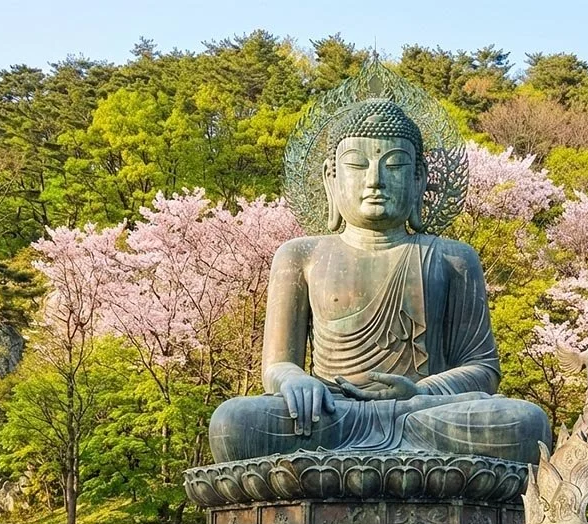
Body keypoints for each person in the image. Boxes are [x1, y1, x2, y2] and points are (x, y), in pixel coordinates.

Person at [207, 97, 551, 465]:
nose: (375, 180)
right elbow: (277, 364)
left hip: (422, 412)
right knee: (233, 422)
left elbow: (483, 369)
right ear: (330, 178)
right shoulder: (300, 255)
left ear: (419, 179)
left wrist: (420, 390)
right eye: (357, 164)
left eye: (395, 165)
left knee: (526, 423)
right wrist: (294, 381)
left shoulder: (452, 257)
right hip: (331, 413)